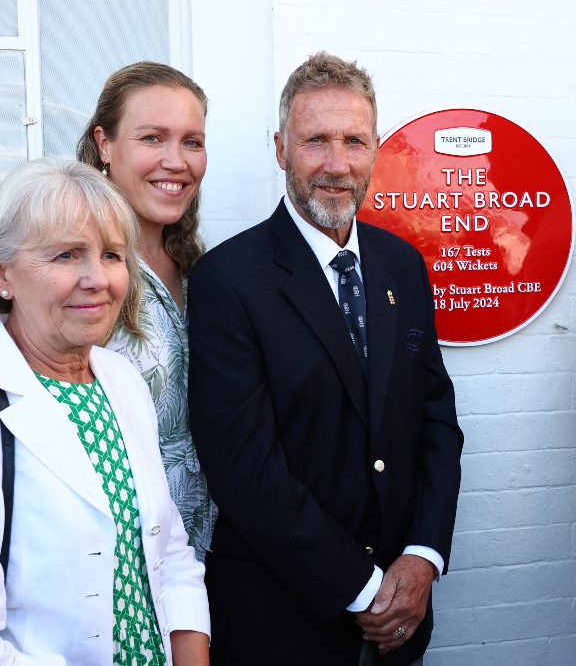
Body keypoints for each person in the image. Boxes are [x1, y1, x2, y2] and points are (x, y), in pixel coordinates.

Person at [187, 52, 463, 666]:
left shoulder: (402, 266)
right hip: (282, 622)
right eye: (315, 142)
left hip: (401, 617)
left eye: (353, 142)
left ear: (377, 149)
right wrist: (364, 591)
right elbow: (245, 470)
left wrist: (423, 556)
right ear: (281, 147)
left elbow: (436, 422)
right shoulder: (227, 281)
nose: (336, 166)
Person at [0, 158, 210, 665]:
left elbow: (170, 557)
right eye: (66, 256)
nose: (97, 279)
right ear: (1, 273)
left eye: (113, 255)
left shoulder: (121, 380)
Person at [76, 62, 216, 560]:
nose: (176, 161)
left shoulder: (198, 266)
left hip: (201, 561)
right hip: (114, 563)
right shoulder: (77, 269)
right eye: (153, 138)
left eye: (192, 142)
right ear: (105, 144)